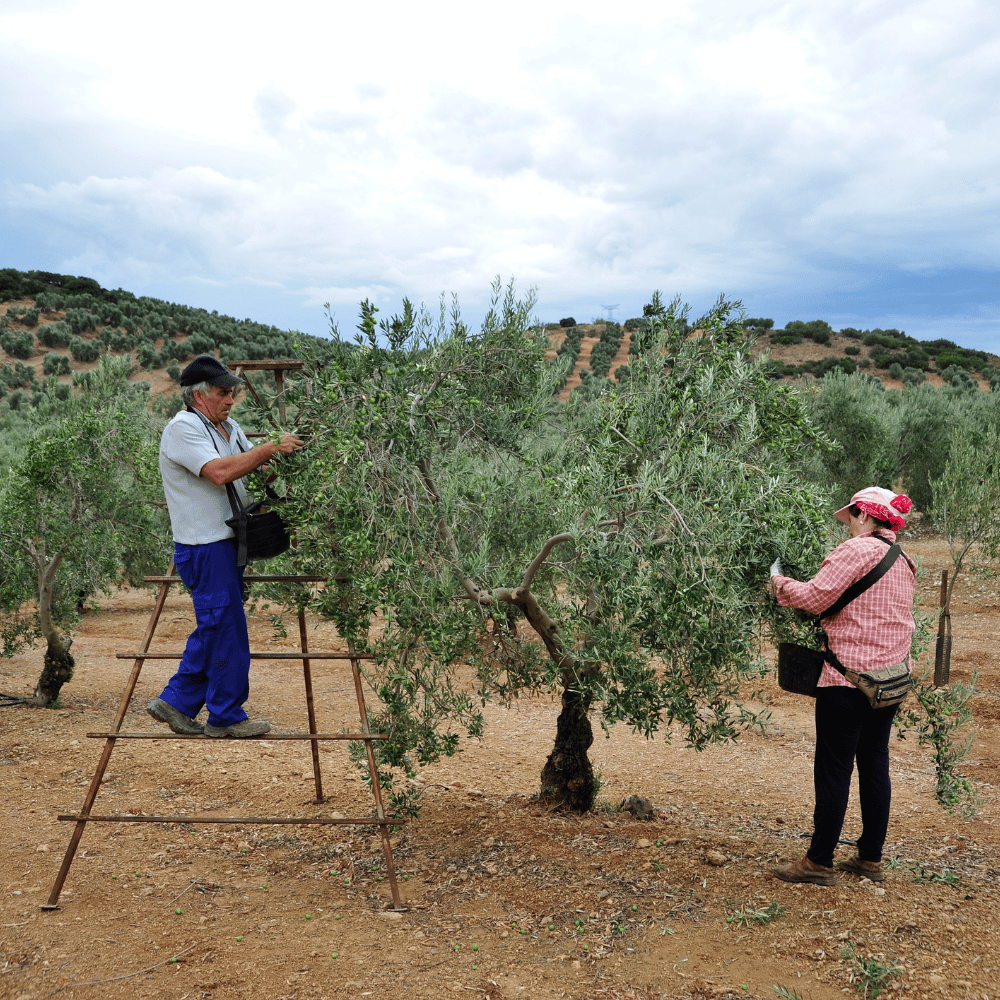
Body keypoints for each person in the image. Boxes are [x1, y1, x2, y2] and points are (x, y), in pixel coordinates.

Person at [147, 355, 303, 738]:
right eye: (222, 393)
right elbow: (219, 472)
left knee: (216, 624)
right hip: (204, 547)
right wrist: (269, 449)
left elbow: (255, 465)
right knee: (226, 628)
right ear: (198, 396)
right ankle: (225, 716)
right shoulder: (182, 429)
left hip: (225, 543)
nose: (231, 400)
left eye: (231, 393)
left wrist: (284, 461)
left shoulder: (227, 426)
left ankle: (176, 702)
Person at [767, 486, 916, 884]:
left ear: (864, 516)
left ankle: (818, 862)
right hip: (889, 684)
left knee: (834, 769)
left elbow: (815, 599)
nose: (847, 526)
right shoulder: (906, 560)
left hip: (846, 681)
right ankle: (870, 859)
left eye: (850, 518)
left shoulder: (855, 550)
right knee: (874, 763)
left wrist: (778, 582)